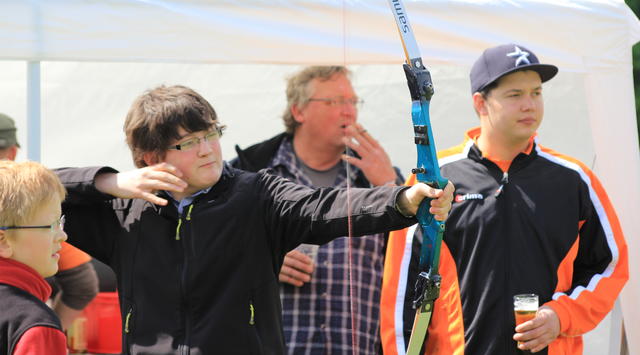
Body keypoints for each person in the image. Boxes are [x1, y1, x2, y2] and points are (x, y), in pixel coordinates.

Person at [55, 84, 455, 354]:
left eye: (211, 134)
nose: (208, 149)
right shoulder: (124, 213)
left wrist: (405, 200)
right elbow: (30, 192)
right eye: (188, 142)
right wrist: (109, 181)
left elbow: (325, 206)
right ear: (150, 157)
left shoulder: (256, 194)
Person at [380, 44, 629, 355]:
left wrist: (560, 316)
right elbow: (400, 289)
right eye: (515, 95)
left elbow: (609, 267)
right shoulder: (435, 179)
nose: (529, 105)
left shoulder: (574, 180)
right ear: (480, 103)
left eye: (536, 93)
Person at [232, 65, 402, 354]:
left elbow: (415, 262)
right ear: (298, 111)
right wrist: (261, 260)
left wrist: (390, 185)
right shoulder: (250, 173)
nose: (349, 111)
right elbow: (208, 249)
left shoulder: (377, 176)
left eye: (353, 101)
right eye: (334, 101)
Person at [0, 113, 99, 331]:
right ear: (13, 153)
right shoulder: (32, 212)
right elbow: (82, 284)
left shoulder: (34, 212)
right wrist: (47, 330)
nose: (60, 234)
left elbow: (82, 284)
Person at [0, 161, 68, 355]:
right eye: (51, 225)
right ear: (3, 241)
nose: (62, 235)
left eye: (60, 222)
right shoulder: (37, 326)